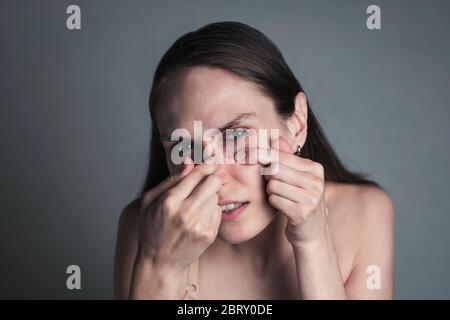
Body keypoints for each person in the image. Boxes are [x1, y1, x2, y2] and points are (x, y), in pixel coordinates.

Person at [113, 21, 395, 300]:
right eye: (185, 146)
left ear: (296, 123)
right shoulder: (144, 230)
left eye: (236, 135)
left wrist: (313, 241)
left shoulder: (363, 213)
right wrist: (159, 268)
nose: (216, 176)